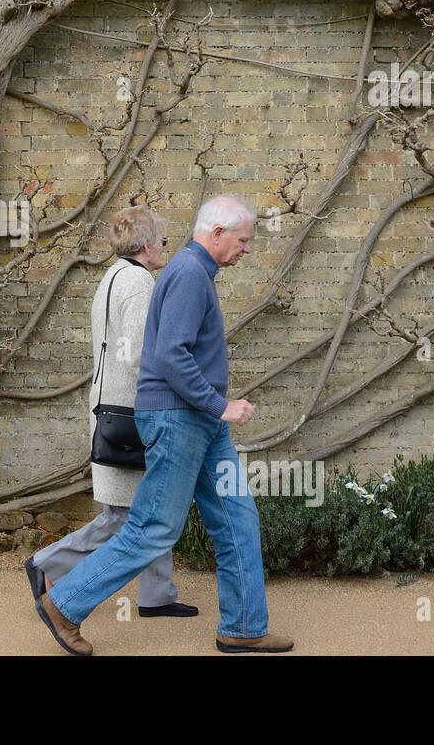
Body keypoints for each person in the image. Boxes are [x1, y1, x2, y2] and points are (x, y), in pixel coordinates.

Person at [33, 194, 294, 656]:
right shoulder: (191, 274)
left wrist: (213, 413)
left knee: (238, 518)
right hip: (180, 419)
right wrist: (220, 406)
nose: (247, 249)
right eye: (243, 240)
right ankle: (64, 604)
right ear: (217, 233)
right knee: (152, 528)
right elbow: (172, 354)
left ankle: (244, 626)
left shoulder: (192, 272)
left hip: (199, 423)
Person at [23, 205, 198, 620]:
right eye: (162, 240)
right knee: (126, 514)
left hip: (110, 403)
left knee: (149, 504)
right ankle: (47, 563)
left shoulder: (113, 276)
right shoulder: (139, 282)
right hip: (131, 408)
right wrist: (174, 392)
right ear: (146, 244)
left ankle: (158, 595)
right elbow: (142, 352)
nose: (165, 248)